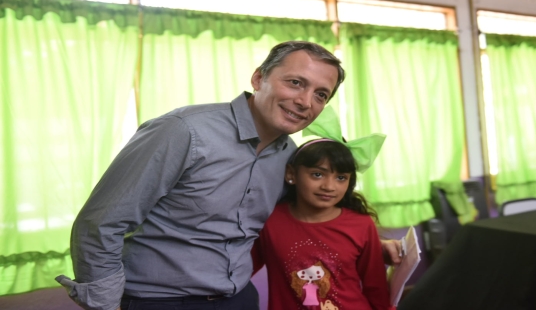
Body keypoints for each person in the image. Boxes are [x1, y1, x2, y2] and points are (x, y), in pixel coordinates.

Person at [56, 41, 401, 310]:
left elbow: (296, 216)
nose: (305, 101)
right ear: (258, 78)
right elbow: (100, 224)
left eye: (320, 94)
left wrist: (371, 245)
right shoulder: (184, 131)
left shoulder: (287, 156)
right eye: (296, 83)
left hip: (238, 298)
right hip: (158, 301)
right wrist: (105, 304)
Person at [251, 107, 393, 310]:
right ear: (291, 174)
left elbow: (376, 289)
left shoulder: (361, 225)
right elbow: (238, 272)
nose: (329, 186)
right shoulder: (270, 220)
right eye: (318, 174)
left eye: (341, 178)